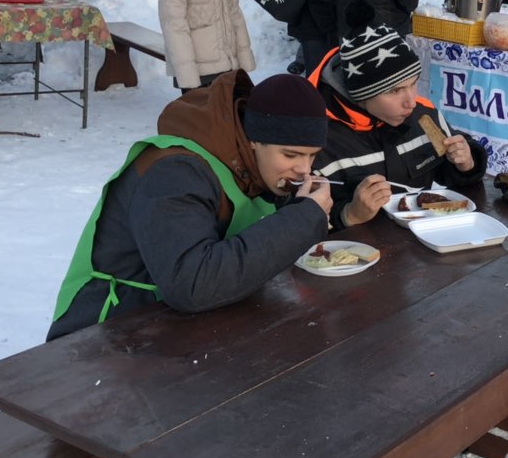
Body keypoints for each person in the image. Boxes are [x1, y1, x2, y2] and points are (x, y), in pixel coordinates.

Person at [46, 72, 333, 340]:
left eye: (312, 157)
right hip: (106, 334)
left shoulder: (257, 168)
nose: (303, 170)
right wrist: (303, 219)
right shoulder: (175, 172)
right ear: (254, 139)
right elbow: (192, 284)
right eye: (291, 154)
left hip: (181, 329)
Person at [308, 0, 487, 231]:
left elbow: (449, 174)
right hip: (360, 258)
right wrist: (348, 215)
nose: (410, 101)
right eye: (394, 91)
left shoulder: (424, 116)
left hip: (424, 246)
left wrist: (466, 163)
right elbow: (300, 225)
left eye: (413, 84)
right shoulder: (319, 141)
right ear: (361, 96)